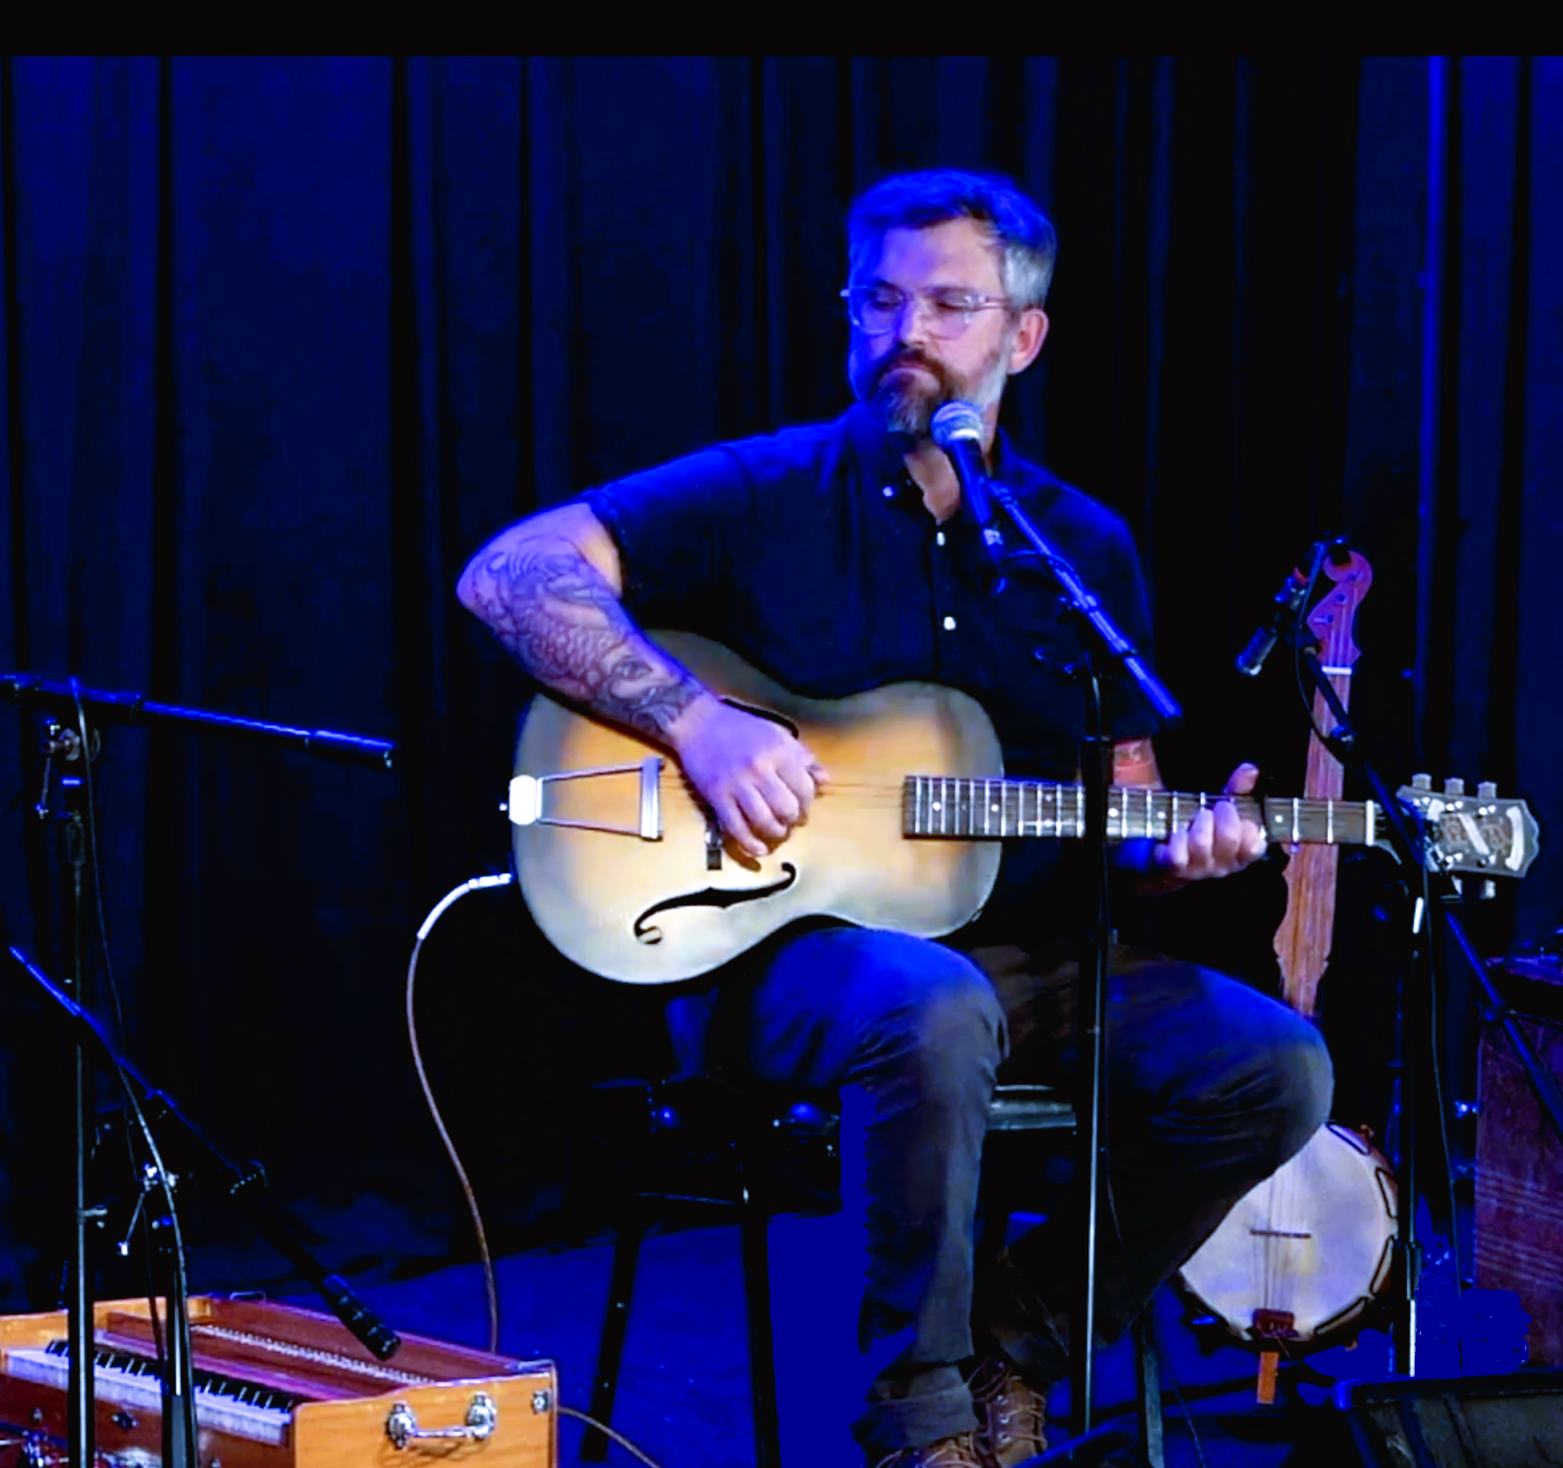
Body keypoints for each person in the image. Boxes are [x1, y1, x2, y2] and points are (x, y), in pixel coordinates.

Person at [456, 172, 1331, 1468]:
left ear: (1022, 337)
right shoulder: (763, 494)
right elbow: (510, 572)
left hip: (1038, 962)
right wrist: (695, 719)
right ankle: (919, 1427)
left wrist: (1175, 854)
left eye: (948, 305)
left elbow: (1130, 810)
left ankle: (1019, 1340)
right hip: (780, 960)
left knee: (1275, 1068)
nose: (904, 331)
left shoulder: (1079, 550)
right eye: (879, 299)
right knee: (932, 1000)